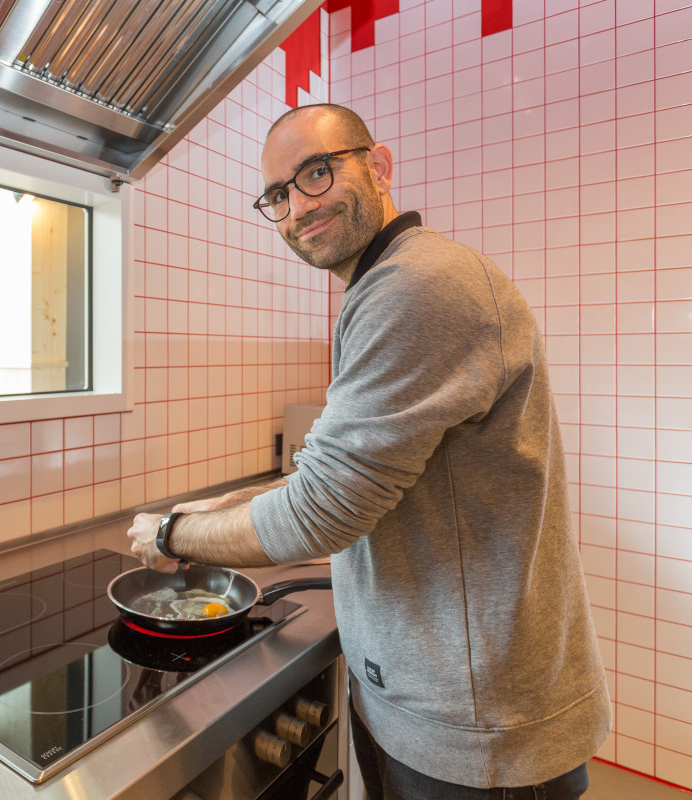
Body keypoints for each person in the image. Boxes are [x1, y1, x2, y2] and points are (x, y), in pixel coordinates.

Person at [126, 103, 611, 799]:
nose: (297, 206)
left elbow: (320, 511)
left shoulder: (418, 286)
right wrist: (220, 505)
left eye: (316, 173)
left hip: (477, 726)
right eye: (278, 195)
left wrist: (174, 533)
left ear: (378, 166)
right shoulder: (383, 287)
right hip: (432, 697)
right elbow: (343, 472)